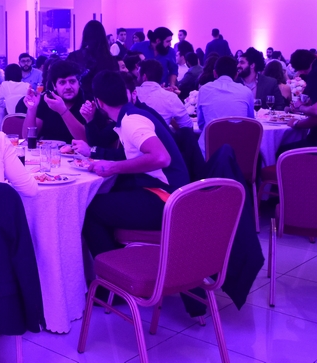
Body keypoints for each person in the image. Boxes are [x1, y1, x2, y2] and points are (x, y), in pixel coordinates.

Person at [81, 70, 189, 257]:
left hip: (166, 199)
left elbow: (161, 158)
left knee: (88, 209)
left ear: (99, 102)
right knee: (106, 198)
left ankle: (111, 268)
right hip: (172, 194)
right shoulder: (133, 115)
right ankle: (123, 259)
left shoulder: (132, 121)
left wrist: (112, 167)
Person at [197, 56, 255, 154]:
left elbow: (201, 123)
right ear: (236, 75)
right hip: (239, 152)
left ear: (215, 73)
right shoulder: (246, 91)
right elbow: (250, 123)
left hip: (208, 152)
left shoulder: (204, 90)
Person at [22, 60, 85, 143]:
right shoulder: (46, 100)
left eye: (72, 81)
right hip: (47, 150)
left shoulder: (87, 102)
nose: (68, 87)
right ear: (54, 86)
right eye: (62, 82)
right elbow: (27, 138)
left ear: (79, 83)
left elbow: (86, 139)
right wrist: (32, 109)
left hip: (78, 151)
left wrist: (63, 111)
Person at [67, 20, 118, 100]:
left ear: (85, 36)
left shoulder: (74, 57)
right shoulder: (111, 60)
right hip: (104, 101)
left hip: (78, 101)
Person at [135, 60, 193, 130]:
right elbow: (187, 126)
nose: (137, 78)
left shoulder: (132, 93)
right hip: (160, 136)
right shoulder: (170, 97)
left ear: (144, 77)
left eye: (138, 75)